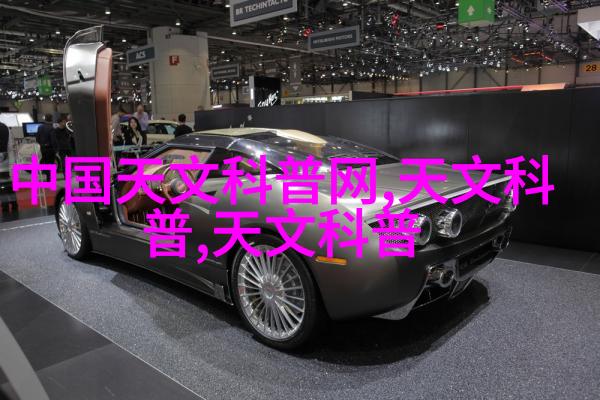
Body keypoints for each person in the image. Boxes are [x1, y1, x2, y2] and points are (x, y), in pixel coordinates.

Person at [35, 114, 56, 180]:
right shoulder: (52, 128)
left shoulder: (40, 127)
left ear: (45, 119)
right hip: (50, 148)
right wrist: (55, 148)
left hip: (43, 148)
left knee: (46, 163)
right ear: (51, 119)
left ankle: (47, 178)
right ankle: (51, 179)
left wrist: (41, 145)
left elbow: (37, 138)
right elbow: (53, 140)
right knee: (51, 163)